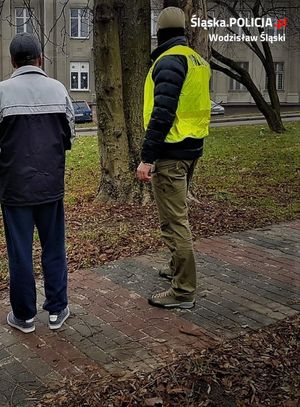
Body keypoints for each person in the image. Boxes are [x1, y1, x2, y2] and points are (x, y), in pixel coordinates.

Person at [0, 33, 75, 333]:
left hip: (14, 188)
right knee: (54, 247)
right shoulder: (58, 89)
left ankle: (23, 316)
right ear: (41, 58)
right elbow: (69, 137)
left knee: (20, 252)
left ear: (12, 61)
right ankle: (57, 310)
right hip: (50, 185)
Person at [136, 7, 211, 309]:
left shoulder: (169, 61)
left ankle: (183, 291)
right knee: (174, 216)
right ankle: (175, 269)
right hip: (190, 149)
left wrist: (147, 157)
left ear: (160, 33)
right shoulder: (197, 60)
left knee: (175, 221)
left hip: (170, 153)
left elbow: (163, 113)